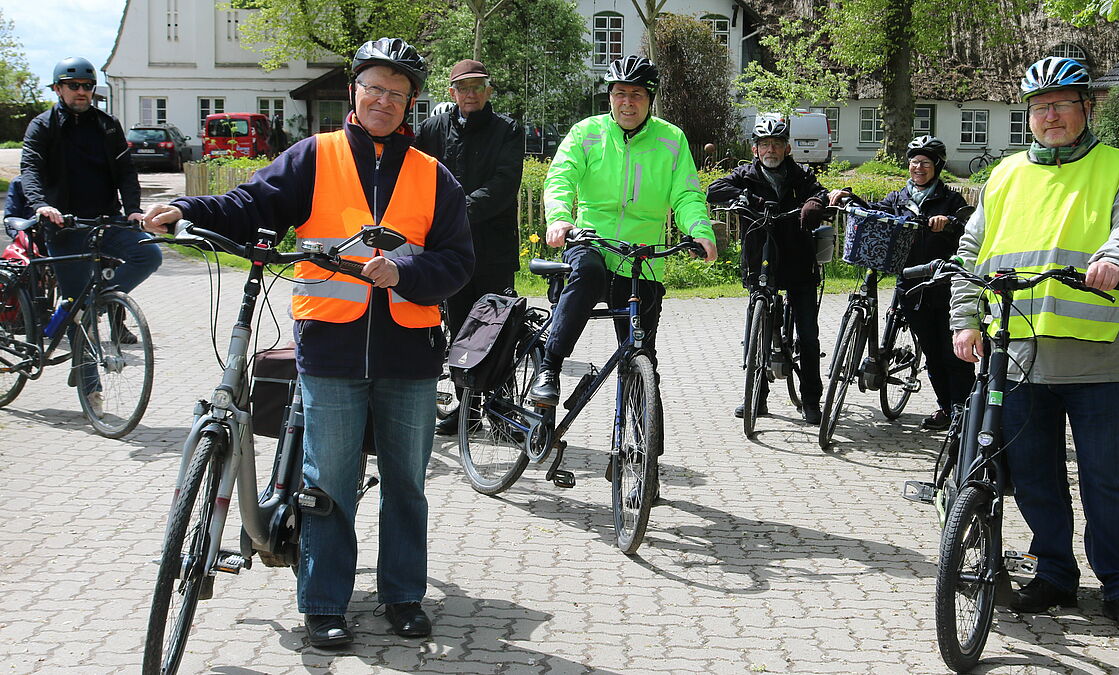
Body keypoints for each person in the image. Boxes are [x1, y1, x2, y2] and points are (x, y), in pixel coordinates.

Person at [143, 37, 474, 649]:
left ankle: (403, 596)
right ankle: (324, 602)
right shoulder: (313, 157)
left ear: (410, 104)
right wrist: (186, 209)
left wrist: (405, 273)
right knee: (328, 483)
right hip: (331, 349)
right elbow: (249, 205)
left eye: (397, 94)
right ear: (354, 91)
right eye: (374, 88)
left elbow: (458, 262)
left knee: (407, 483)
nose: (384, 100)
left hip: (410, 352)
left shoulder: (434, 176)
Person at [949, 57, 1119, 636]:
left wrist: (1116, 257)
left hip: (1093, 354)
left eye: (1061, 105)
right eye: (1039, 107)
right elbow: (970, 254)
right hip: (1016, 353)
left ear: (1086, 107)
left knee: (1106, 477)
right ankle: (1055, 575)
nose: (1050, 116)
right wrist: (964, 321)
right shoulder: (1004, 175)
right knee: (1036, 474)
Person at [529, 55, 718, 406]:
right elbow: (560, 178)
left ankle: (644, 447)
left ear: (650, 99)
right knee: (585, 273)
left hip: (641, 255)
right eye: (620, 93)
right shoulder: (587, 133)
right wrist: (558, 217)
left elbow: (687, 194)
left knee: (641, 354)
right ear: (610, 96)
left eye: (636, 95)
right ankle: (550, 367)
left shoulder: (671, 139)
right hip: (591, 241)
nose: (627, 102)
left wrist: (699, 229)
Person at [20, 56, 162, 409]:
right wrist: (41, 205)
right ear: (58, 89)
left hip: (105, 221)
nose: (81, 92)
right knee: (74, 306)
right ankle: (90, 389)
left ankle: (96, 302)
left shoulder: (106, 125)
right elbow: (30, 168)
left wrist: (132, 208)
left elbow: (126, 172)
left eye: (87, 86)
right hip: (63, 226)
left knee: (148, 254)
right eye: (73, 86)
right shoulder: (43, 126)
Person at [828, 136, 973, 431]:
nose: (918, 167)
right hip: (909, 282)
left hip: (943, 283)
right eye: (914, 162)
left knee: (951, 353)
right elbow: (877, 211)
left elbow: (968, 226)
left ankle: (963, 412)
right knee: (932, 352)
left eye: (925, 162)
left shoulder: (950, 200)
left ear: (937, 166)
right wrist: (849, 198)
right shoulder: (898, 198)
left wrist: (949, 222)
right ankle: (947, 407)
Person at [414, 58, 523, 435]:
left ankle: (504, 410)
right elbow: (413, 171)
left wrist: (453, 211)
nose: (471, 94)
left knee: (498, 329)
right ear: (452, 92)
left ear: (488, 90)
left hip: (492, 250)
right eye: (463, 88)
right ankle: (468, 412)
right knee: (460, 329)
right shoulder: (432, 129)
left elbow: (504, 185)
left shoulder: (508, 130)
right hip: (448, 251)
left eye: (478, 86)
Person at [706, 114, 828, 424]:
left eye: (776, 144)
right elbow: (714, 190)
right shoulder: (745, 175)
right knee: (755, 331)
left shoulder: (799, 175)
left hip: (798, 262)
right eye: (764, 145)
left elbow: (820, 192)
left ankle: (811, 398)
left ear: (787, 149)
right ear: (755, 149)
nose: (770, 150)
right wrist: (743, 198)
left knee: (809, 335)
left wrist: (814, 203)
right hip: (760, 262)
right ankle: (756, 397)